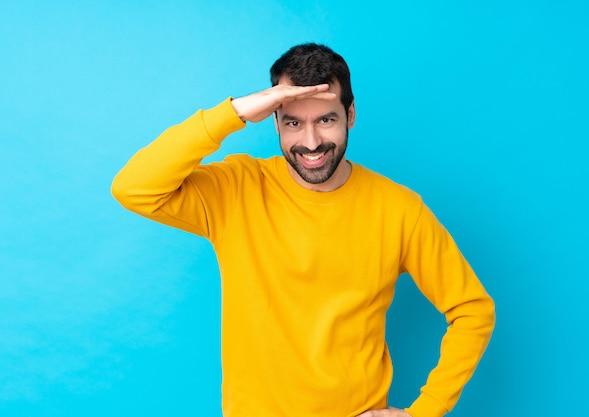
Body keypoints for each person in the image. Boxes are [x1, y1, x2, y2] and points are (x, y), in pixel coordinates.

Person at [111, 43, 495, 417]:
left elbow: (472, 310)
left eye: (326, 119)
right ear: (274, 119)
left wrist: (424, 412)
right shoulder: (237, 189)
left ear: (351, 114)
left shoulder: (399, 209)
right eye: (293, 122)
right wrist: (234, 112)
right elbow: (134, 188)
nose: (311, 143)